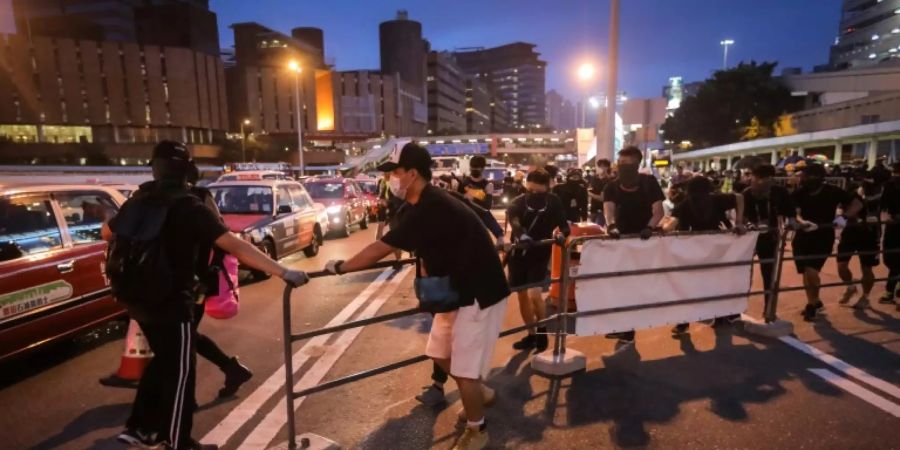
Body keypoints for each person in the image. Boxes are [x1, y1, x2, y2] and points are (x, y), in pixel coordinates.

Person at [110, 141, 308, 450]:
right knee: (180, 374)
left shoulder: (140, 199)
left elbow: (107, 233)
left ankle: (139, 428)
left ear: (155, 167)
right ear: (187, 170)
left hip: (136, 298)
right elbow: (234, 245)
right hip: (172, 300)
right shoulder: (189, 205)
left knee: (163, 362)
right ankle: (177, 442)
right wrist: (281, 271)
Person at [324, 143, 509, 450]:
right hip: (455, 291)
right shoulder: (417, 204)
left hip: (478, 292)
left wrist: (341, 267)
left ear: (412, 174)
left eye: (394, 172)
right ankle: (480, 392)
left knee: (463, 369)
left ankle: (478, 430)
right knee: (438, 351)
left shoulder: (431, 205)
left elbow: (380, 248)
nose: (390, 179)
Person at [186, 165, 254, 399]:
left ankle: (186, 398)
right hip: (171, 281)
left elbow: (221, 237)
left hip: (196, 280)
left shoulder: (200, 198)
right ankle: (231, 368)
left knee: (183, 338)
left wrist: (208, 273)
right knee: (185, 337)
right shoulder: (157, 198)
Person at [664, 176, 745, 336]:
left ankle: (683, 323)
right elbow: (739, 197)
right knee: (716, 283)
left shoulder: (687, 203)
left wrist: (658, 229)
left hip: (693, 250)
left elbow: (671, 225)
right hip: (718, 248)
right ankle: (721, 314)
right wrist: (739, 221)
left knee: (689, 287)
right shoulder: (716, 199)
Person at [603, 146, 665, 344]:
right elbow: (608, 210)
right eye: (620, 164)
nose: (623, 168)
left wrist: (649, 228)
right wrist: (611, 226)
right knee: (619, 284)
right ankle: (624, 326)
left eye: (628, 165)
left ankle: (628, 328)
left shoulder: (649, 183)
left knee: (635, 284)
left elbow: (658, 211)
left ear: (637, 165)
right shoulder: (611, 187)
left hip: (644, 241)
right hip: (619, 240)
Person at [506, 169, 570, 353]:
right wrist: (522, 235)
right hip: (519, 254)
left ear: (547, 187)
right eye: (530, 190)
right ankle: (531, 334)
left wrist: (561, 234)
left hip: (540, 253)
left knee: (535, 294)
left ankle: (542, 333)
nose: (533, 194)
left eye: (538, 191)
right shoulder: (518, 202)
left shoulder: (554, 202)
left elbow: (564, 226)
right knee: (521, 295)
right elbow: (514, 221)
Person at [791, 163, 862, 321]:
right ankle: (813, 302)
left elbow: (857, 203)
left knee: (811, 270)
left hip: (823, 236)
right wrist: (803, 222)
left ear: (818, 177)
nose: (804, 178)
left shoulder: (832, 191)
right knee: (805, 271)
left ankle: (812, 304)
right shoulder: (800, 192)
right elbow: (794, 213)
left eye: (808, 176)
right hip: (803, 236)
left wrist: (843, 216)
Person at [742, 164, 794, 321]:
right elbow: (741, 215)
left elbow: (790, 212)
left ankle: (769, 308)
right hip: (749, 238)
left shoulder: (779, 192)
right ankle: (735, 309)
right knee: (743, 272)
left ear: (766, 178)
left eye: (755, 177)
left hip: (770, 237)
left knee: (769, 274)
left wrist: (792, 222)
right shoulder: (747, 193)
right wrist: (750, 225)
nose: (751, 179)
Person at [836, 167, 887, 309]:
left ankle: (865, 297)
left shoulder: (885, 194)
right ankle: (851, 287)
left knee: (866, 268)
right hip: (850, 233)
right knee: (841, 266)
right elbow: (841, 208)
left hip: (870, 235)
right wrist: (843, 216)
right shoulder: (854, 191)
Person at [879, 163, 900, 309]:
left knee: (894, 259)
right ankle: (890, 291)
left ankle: (889, 291)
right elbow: (884, 204)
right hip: (894, 224)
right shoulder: (890, 185)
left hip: (894, 224)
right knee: (891, 258)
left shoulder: (890, 184)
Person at [589, 159, 612, 225]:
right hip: (593, 209)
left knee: (598, 229)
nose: (602, 168)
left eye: (604, 166)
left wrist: (589, 194)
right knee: (591, 229)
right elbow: (592, 189)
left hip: (602, 210)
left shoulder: (608, 181)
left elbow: (602, 198)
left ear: (608, 168)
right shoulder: (594, 178)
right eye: (600, 166)